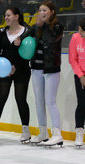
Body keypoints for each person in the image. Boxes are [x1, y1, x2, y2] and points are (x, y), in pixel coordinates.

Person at [19, 0, 64, 146]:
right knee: (39, 102)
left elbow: (51, 42)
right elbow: (25, 35)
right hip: (36, 68)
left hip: (51, 69)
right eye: (40, 10)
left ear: (52, 12)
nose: (42, 13)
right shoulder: (38, 26)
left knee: (50, 102)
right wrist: (33, 28)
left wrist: (41, 26)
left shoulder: (57, 27)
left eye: (45, 10)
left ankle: (57, 134)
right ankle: (43, 132)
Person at [0, 7, 31, 143]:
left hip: (22, 69)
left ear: (16, 16)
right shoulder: (1, 33)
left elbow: (28, 54)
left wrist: (15, 67)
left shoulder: (26, 32)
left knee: (21, 99)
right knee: (0, 98)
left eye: (8, 15)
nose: (6, 17)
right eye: (5, 15)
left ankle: (26, 131)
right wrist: (5, 68)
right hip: (4, 71)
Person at [69, 18, 85, 147]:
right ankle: (79, 132)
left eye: (82, 31)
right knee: (82, 104)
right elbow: (72, 59)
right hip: (80, 75)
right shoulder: (75, 38)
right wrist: (81, 75)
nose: (80, 33)